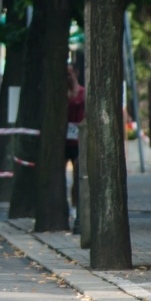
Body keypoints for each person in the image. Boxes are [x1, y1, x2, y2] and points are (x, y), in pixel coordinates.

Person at [66, 63, 85, 229]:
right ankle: (67, 208)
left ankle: (75, 207)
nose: (68, 77)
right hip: (63, 140)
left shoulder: (83, 93)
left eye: (70, 73)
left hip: (77, 139)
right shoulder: (62, 94)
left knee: (77, 175)